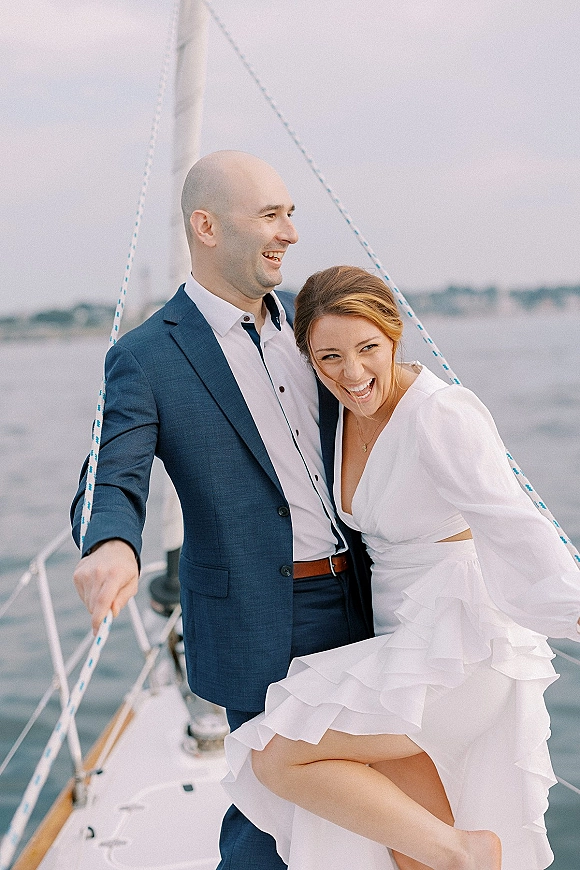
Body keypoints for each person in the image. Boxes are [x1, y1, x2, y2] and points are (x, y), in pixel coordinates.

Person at [71, 155, 374, 870]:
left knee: (371, 801)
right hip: (262, 616)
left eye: (290, 214)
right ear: (206, 227)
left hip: (369, 593)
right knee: (268, 823)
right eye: (270, 216)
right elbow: (110, 472)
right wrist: (113, 543)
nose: (290, 233)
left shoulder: (317, 320)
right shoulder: (146, 355)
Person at [222, 265, 580, 870]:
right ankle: (457, 854)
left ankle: (469, 853)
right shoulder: (341, 412)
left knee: (277, 756)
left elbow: (514, 523)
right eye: (330, 356)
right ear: (308, 356)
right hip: (398, 644)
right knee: (407, 851)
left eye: (368, 348)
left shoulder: (440, 414)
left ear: (394, 336)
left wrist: (574, 611)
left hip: (457, 650)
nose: (352, 373)